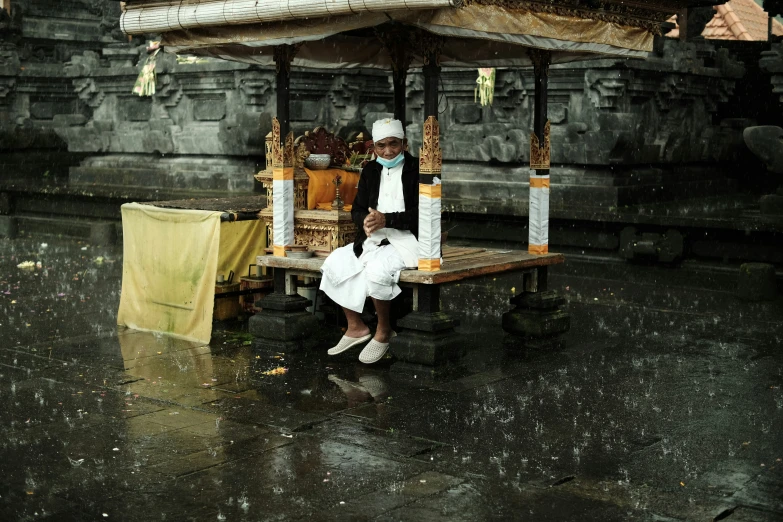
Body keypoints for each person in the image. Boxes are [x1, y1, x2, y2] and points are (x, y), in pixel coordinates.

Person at [319, 118, 419, 364]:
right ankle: (356, 326)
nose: (388, 151)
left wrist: (388, 220)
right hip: (374, 239)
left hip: (408, 240)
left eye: (393, 144)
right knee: (334, 262)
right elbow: (357, 210)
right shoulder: (370, 170)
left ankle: (384, 331)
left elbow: (423, 214)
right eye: (381, 146)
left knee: (377, 270)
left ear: (404, 143)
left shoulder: (419, 169)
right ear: (374, 148)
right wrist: (364, 220)